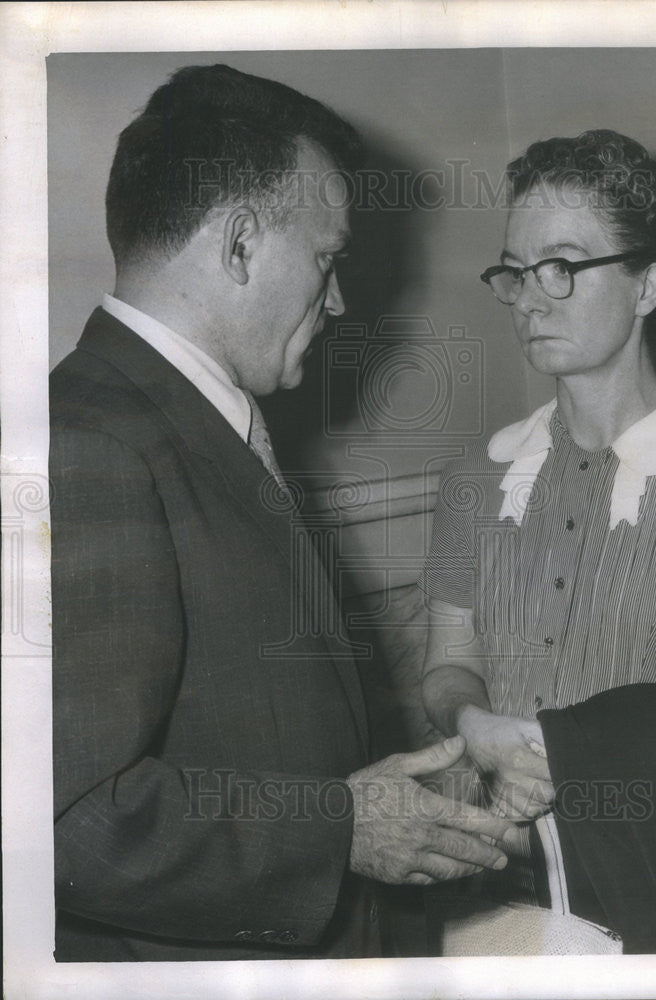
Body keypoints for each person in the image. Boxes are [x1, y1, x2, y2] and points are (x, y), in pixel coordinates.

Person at [49, 63, 521, 963]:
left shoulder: (182, 421)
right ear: (238, 245)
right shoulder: (91, 445)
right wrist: (339, 828)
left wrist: (384, 806)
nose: (339, 299)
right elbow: (71, 820)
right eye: (327, 258)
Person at [420, 129, 656, 954]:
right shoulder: (477, 477)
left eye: (564, 267)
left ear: (646, 284)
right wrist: (469, 721)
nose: (529, 299)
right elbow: (444, 663)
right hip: (496, 894)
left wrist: (577, 749)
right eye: (515, 270)